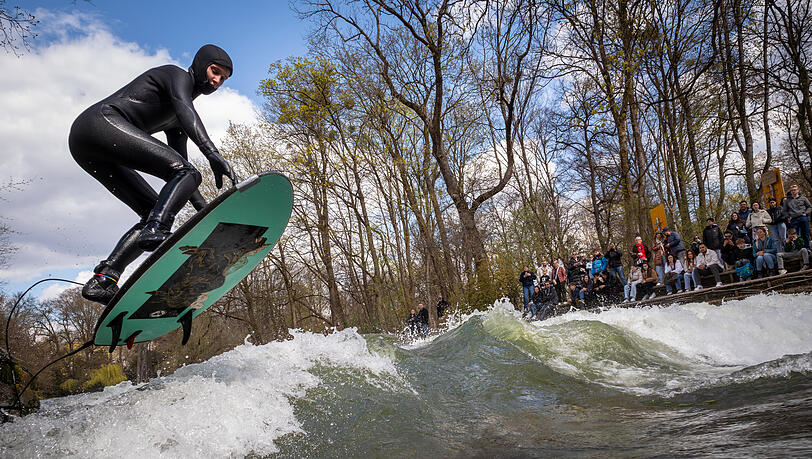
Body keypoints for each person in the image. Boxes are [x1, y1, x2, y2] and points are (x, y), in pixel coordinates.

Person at [71, 44, 237, 304]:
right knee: (182, 179)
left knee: (155, 208)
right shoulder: (176, 76)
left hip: (88, 148)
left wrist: (204, 211)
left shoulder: (178, 118)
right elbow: (185, 110)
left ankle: (104, 279)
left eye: (223, 79)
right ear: (200, 64)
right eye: (215, 71)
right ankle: (156, 230)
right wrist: (213, 154)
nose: (216, 81)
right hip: (98, 123)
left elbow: (181, 169)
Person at [783, 184, 812, 250]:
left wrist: (806, 213)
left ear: (798, 190)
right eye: (792, 190)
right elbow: (784, 211)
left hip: (803, 217)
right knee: (794, 235)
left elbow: (810, 207)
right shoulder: (787, 201)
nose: (793, 191)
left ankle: (807, 248)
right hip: (793, 219)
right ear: (790, 192)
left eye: (795, 190)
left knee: (805, 234)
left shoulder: (803, 198)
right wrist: (788, 216)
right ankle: (798, 249)